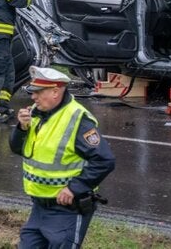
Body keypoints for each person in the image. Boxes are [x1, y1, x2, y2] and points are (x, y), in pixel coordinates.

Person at [10, 66, 116, 248]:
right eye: (32, 92)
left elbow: (104, 160)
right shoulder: (36, 112)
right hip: (39, 206)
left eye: (38, 92)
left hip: (67, 209)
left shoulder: (78, 119)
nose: (33, 97)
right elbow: (18, 149)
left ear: (55, 92)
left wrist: (75, 188)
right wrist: (21, 128)